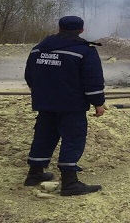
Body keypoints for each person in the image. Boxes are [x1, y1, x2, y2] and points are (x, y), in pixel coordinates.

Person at [23, 16, 105, 196]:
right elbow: (92, 81)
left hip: (45, 104)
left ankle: (34, 174)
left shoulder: (38, 49)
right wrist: (98, 103)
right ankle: (69, 183)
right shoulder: (85, 51)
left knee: (44, 136)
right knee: (73, 138)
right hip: (71, 106)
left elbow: (29, 76)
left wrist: (41, 93)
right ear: (82, 30)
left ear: (59, 28)